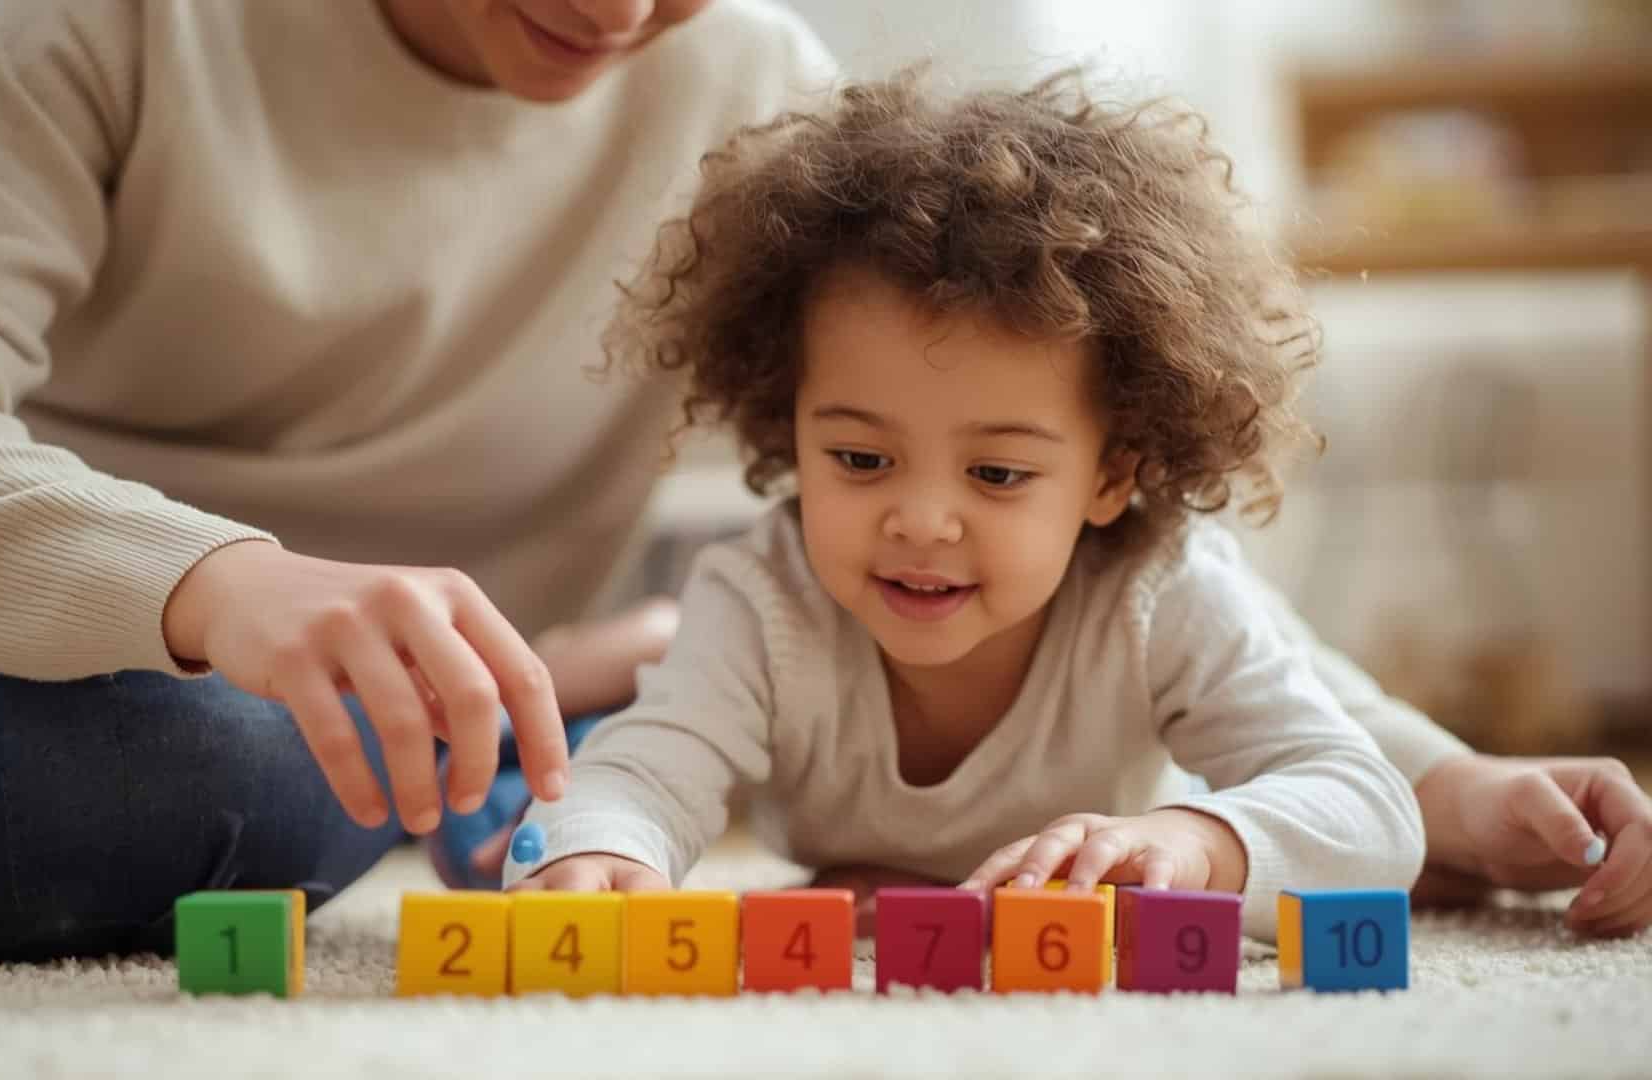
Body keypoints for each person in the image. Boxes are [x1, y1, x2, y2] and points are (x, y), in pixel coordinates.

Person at [0, 0, 833, 962]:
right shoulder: (140, 20)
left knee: (225, 768)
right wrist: (216, 581)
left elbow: (919, 465)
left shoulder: (766, 107)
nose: (618, 12)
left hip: (232, 711)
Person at [505, 66, 1652, 943]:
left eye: (997, 474)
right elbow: (642, 771)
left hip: (1180, 722)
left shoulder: (1160, 587)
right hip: (840, 770)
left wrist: (1192, 844)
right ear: (786, 420)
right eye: (858, 459)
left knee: (1307, 714)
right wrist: (604, 854)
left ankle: (1471, 795)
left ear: (1113, 474)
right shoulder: (757, 595)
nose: (921, 521)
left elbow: (1360, 807)